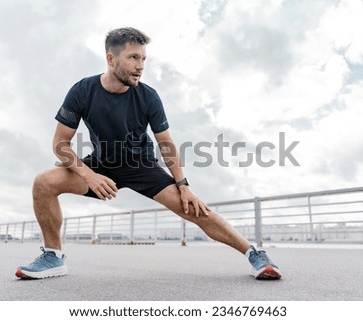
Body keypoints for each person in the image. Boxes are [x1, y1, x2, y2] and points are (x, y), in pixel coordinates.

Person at [15, 27, 281, 280]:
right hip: (101, 164)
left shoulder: (149, 96)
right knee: (44, 183)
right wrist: (90, 176)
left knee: (195, 209)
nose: (140, 65)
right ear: (111, 58)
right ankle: (53, 256)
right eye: (133, 57)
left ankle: (255, 255)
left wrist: (183, 185)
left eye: (143, 58)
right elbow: (61, 143)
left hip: (141, 164)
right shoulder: (82, 91)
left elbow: (165, 143)